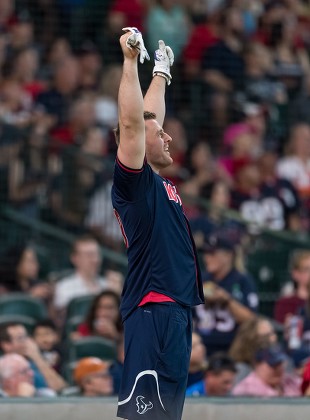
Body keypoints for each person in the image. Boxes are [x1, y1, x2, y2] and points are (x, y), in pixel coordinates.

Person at [111, 28, 204, 420]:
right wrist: (131, 63)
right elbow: (136, 125)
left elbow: (148, 119)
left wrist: (161, 74)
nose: (168, 136)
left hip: (173, 312)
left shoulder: (157, 181)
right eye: (160, 134)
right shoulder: (134, 183)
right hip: (156, 310)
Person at [194, 232, 258, 356]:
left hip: (231, 350)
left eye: (212, 254)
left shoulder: (242, 280)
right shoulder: (200, 279)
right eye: (206, 253)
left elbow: (251, 320)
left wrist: (227, 301)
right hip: (201, 349)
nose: (207, 258)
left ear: (228, 255)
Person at [0, 322, 67, 393]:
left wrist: (37, 357)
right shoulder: (3, 367)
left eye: (26, 337)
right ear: (6, 345)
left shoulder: (34, 363)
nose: (27, 342)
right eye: (20, 338)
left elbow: (60, 388)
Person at [232, 344, 301, 397]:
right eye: (273, 364)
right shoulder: (246, 390)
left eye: (280, 364)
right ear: (257, 365)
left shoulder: (289, 381)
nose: (278, 369)